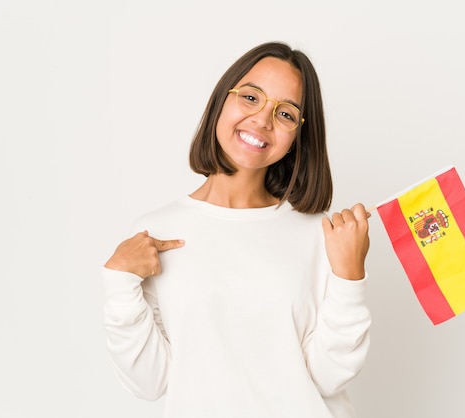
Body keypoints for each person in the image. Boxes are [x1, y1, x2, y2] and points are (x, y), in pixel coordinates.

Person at [102, 41, 372, 418]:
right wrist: (118, 283)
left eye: (286, 114)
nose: (262, 120)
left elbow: (328, 377)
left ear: (298, 137)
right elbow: (151, 383)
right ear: (221, 101)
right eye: (250, 97)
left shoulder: (321, 234)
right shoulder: (155, 233)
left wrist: (349, 278)